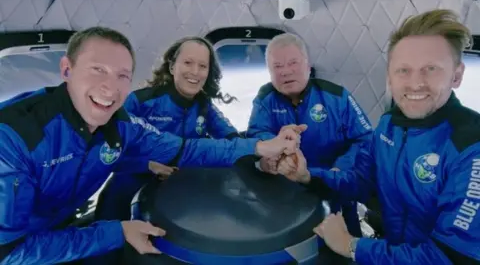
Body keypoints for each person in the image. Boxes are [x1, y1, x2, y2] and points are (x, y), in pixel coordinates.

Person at [0, 27, 300, 265]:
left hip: (62, 227)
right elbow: (8, 252)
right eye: (98, 70)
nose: (109, 87)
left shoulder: (121, 125)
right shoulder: (13, 138)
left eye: (122, 76)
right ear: (66, 70)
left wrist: (262, 149)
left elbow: (190, 149)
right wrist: (116, 230)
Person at [277, 9, 480, 264]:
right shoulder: (389, 125)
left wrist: (351, 246)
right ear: (389, 77)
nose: (415, 83)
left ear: (457, 75)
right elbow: (361, 180)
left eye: (431, 68)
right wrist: (308, 176)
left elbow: (451, 257)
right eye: (403, 70)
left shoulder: (471, 147)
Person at [95, 36, 241, 223]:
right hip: (129, 186)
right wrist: (148, 165)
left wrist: (261, 154)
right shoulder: (141, 102)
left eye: (203, 66)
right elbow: (108, 149)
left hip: (178, 188)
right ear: (172, 67)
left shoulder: (204, 106)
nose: (195, 72)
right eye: (188, 63)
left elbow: (232, 138)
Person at [246, 32, 372, 238]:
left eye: (293, 63)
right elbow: (255, 135)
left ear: (307, 64)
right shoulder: (264, 99)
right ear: (269, 72)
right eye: (277, 67)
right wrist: (277, 152)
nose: (286, 71)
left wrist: (340, 168)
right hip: (284, 194)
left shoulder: (337, 97)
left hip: (334, 187)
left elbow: (365, 139)